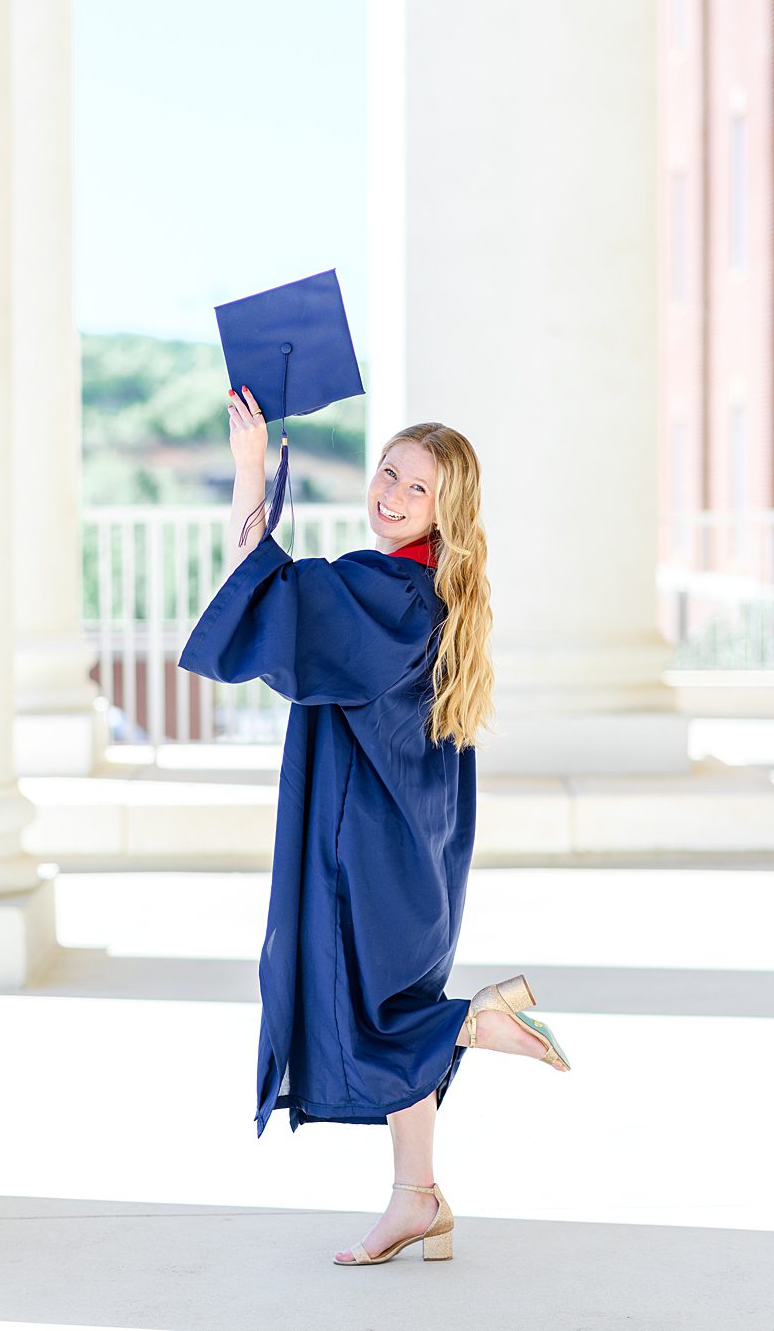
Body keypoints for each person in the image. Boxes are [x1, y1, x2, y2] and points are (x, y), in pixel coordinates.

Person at [178, 384, 572, 1267]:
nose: (390, 494)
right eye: (388, 472)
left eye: (416, 488)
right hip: (415, 850)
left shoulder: (385, 586)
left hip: (363, 848)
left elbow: (270, 591)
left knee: (374, 1009)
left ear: (446, 509)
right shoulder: (436, 591)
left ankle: (477, 1022)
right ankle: (417, 1197)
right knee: (392, 1001)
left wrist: (248, 469)